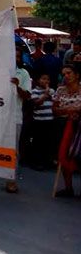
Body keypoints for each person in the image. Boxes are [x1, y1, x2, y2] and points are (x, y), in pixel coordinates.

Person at [0, 48, 31, 193]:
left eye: (17, 56)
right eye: (12, 55)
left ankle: (11, 180)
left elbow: (27, 96)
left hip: (14, 117)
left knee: (12, 149)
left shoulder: (23, 73)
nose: (14, 58)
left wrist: (17, 86)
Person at [52, 64, 81, 197]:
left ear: (77, 75)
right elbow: (54, 109)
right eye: (64, 74)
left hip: (79, 126)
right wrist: (67, 111)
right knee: (63, 155)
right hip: (62, 125)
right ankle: (68, 187)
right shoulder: (60, 90)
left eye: (69, 73)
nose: (66, 76)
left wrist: (76, 111)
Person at [28, 73, 56, 170]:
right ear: (38, 80)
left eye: (48, 79)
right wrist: (45, 94)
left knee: (47, 142)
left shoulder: (52, 91)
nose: (46, 81)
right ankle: (36, 162)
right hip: (39, 121)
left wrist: (50, 93)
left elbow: (55, 101)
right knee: (38, 142)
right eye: (43, 79)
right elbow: (37, 103)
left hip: (49, 120)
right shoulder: (34, 91)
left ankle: (46, 161)